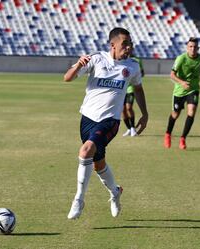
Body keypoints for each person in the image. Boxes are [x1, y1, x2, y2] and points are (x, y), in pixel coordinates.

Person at [63, 27, 148, 219]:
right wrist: (78, 65)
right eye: (124, 44)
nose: (128, 47)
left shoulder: (132, 67)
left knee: (86, 151)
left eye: (130, 44)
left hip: (110, 121)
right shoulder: (96, 59)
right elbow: (67, 78)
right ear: (113, 45)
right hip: (87, 119)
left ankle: (78, 199)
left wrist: (145, 113)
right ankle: (115, 192)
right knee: (98, 164)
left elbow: (139, 89)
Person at [164, 37, 200, 150]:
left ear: (198, 48)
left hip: (193, 89)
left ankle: (183, 139)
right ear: (187, 48)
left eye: (195, 47)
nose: (193, 49)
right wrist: (182, 83)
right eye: (190, 47)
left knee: (192, 112)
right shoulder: (181, 58)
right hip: (179, 91)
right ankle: (167, 134)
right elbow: (172, 74)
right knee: (175, 114)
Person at [122, 51, 145, 137]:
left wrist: (134, 75)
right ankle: (129, 128)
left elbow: (142, 73)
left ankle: (133, 128)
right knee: (122, 110)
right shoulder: (121, 60)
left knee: (129, 107)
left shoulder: (137, 60)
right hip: (122, 89)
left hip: (131, 88)